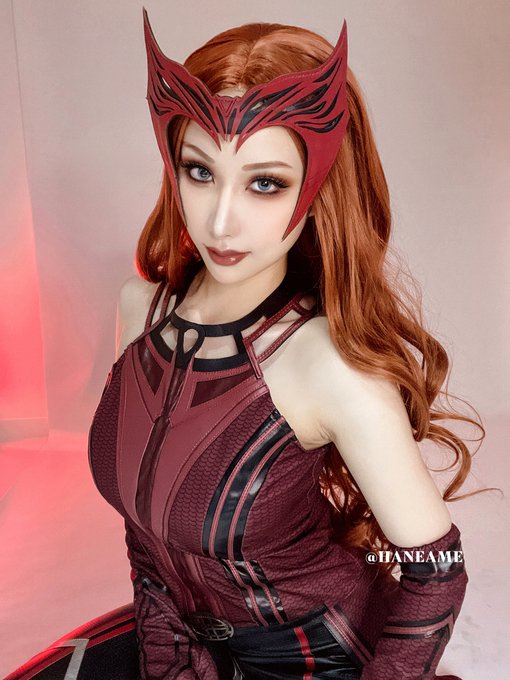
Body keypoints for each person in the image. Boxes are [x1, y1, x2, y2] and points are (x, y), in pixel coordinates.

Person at [89, 10, 482, 679]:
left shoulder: (327, 365)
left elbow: (437, 571)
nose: (221, 221)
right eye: (199, 171)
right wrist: (170, 661)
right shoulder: (140, 310)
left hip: (321, 658)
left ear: (318, 186)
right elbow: (146, 538)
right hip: (186, 642)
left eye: (264, 183)